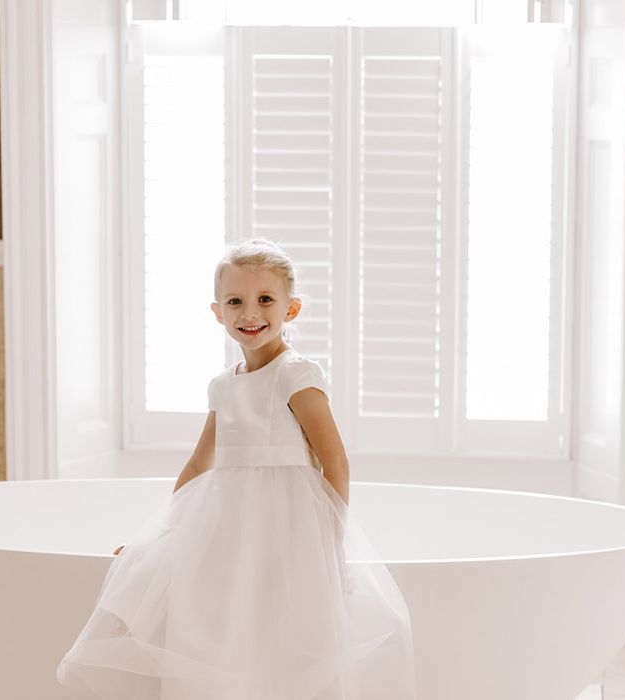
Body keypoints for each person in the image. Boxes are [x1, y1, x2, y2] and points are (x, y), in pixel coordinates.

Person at [56, 238, 418, 700]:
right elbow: (199, 463)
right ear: (217, 312)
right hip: (231, 528)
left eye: (265, 299)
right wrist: (158, 537)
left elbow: (335, 461)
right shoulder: (222, 387)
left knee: (284, 636)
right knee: (225, 630)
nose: (250, 313)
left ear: (292, 309)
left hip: (289, 529)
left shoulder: (296, 374)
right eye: (235, 301)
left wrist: (332, 537)